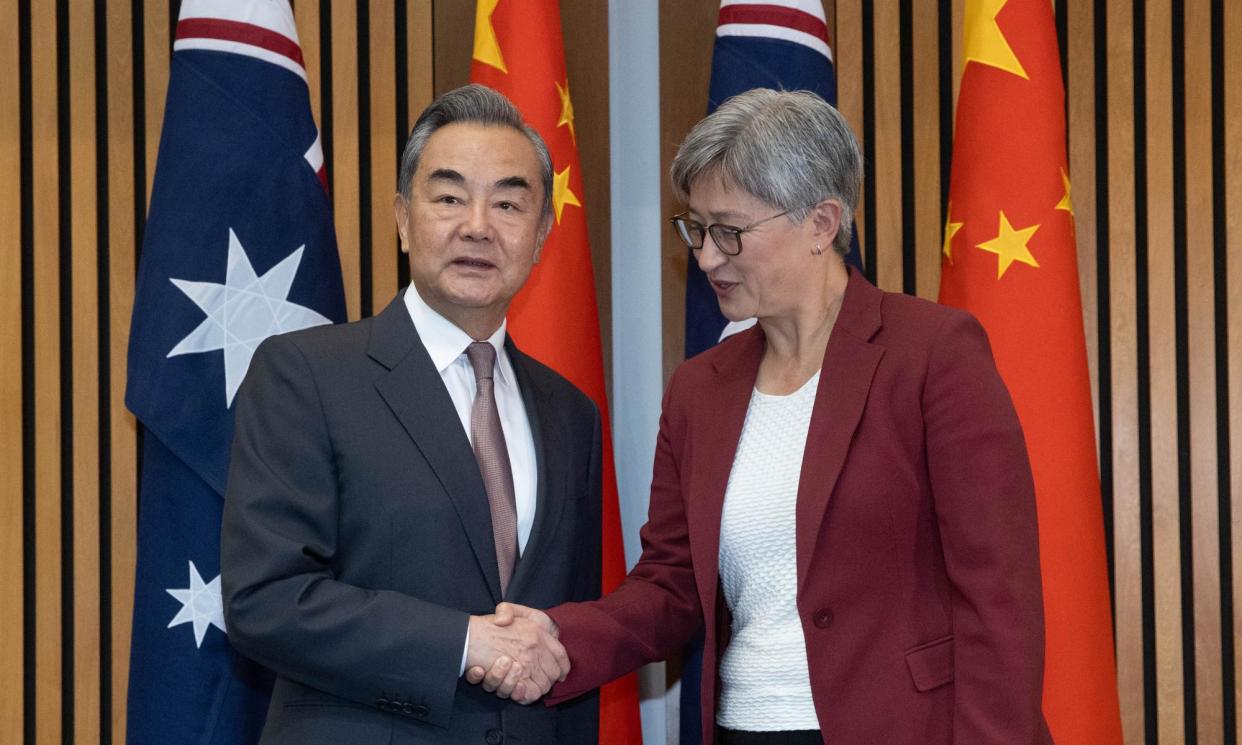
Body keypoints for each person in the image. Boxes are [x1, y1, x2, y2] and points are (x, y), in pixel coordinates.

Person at [472, 89, 1052, 744]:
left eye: (729, 231)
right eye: (695, 228)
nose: (707, 256)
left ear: (821, 223)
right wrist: (555, 639)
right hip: (743, 728)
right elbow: (670, 587)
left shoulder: (932, 355)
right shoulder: (699, 389)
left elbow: (998, 598)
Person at [221, 83, 601, 745]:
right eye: (449, 197)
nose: (478, 224)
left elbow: (561, 636)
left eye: (509, 203)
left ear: (541, 234)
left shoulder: (572, 415)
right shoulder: (305, 374)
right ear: (402, 217)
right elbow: (265, 598)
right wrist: (461, 641)